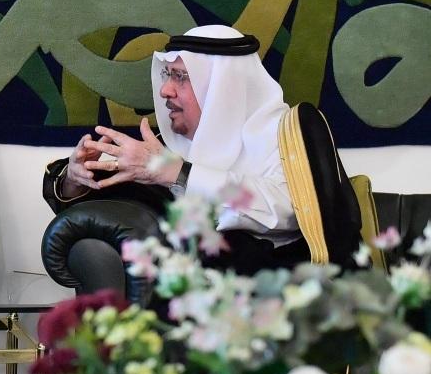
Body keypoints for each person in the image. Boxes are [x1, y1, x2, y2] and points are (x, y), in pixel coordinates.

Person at [44, 24, 308, 275]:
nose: (165, 90)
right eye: (167, 75)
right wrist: (75, 180)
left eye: (181, 77)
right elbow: (113, 204)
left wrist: (177, 174)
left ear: (222, 86)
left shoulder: (288, 138)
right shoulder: (167, 144)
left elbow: (290, 213)